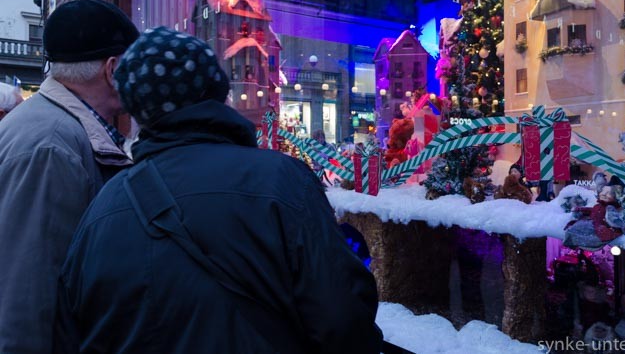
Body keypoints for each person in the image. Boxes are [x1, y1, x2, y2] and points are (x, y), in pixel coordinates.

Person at [54, 27, 382, 353]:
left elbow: (72, 333)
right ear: (218, 92)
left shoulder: (103, 210)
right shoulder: (282, 181)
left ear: (138, 110)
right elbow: (345, 322)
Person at [0, 0, 138, 353]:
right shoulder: (52, 144)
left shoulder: (53, 128)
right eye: (133, 65)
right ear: (112, 69)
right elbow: (25, 294)